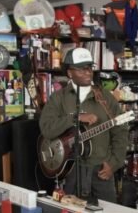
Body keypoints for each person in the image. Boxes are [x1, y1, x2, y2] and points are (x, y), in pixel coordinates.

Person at [39, 48, 128, 203]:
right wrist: (75, 118)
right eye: (82, 69)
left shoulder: (105, 97)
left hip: (101, 169)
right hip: (71, 170)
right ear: (69, 73)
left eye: (90, 68)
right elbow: (46, 128)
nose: (88, 72)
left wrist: (114, 163)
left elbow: (120, 130)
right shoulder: (58, 98)